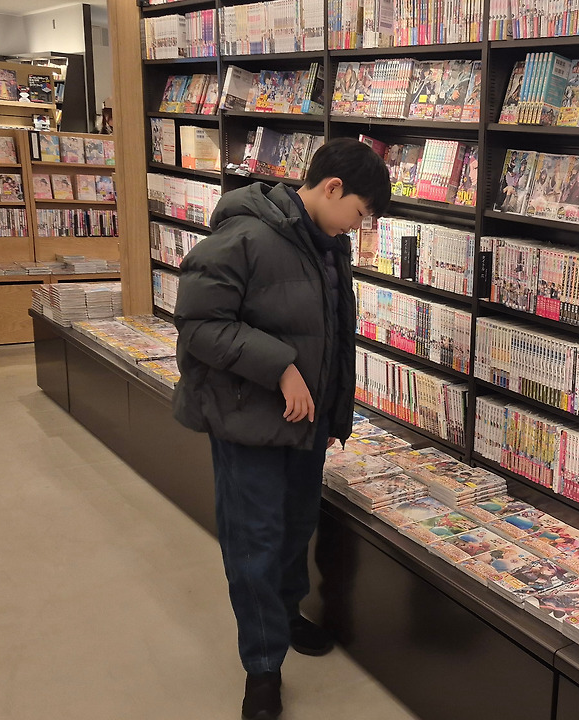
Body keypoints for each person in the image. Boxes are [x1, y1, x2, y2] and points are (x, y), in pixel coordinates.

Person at [172, 138, 390, 720]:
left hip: (306, 425)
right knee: (255, 541)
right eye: (359, 213)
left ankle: (286, 616)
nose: (357, 227)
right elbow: (198, 324)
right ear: (332, 188)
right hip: (249, 421)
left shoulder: (329, 245)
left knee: (295, 529)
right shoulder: (244, 236)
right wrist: (282, 368)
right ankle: (262, 667)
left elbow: (334, 334)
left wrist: (334, 410)